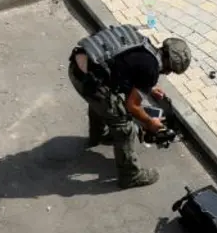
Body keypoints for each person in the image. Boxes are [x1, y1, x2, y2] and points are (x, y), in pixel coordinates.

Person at [68, 24, 191, 189]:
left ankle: (98, 136)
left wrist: (148, 88)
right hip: (89, 82)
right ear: (169, 66)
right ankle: (130, 176)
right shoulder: (151, 70)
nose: (167, 74)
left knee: (103, 104)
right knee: (124, 127)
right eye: (170, 71)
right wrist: (149, 122)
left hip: (77, 67)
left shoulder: (142, 43)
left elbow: (126, 67)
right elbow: (132, 106)